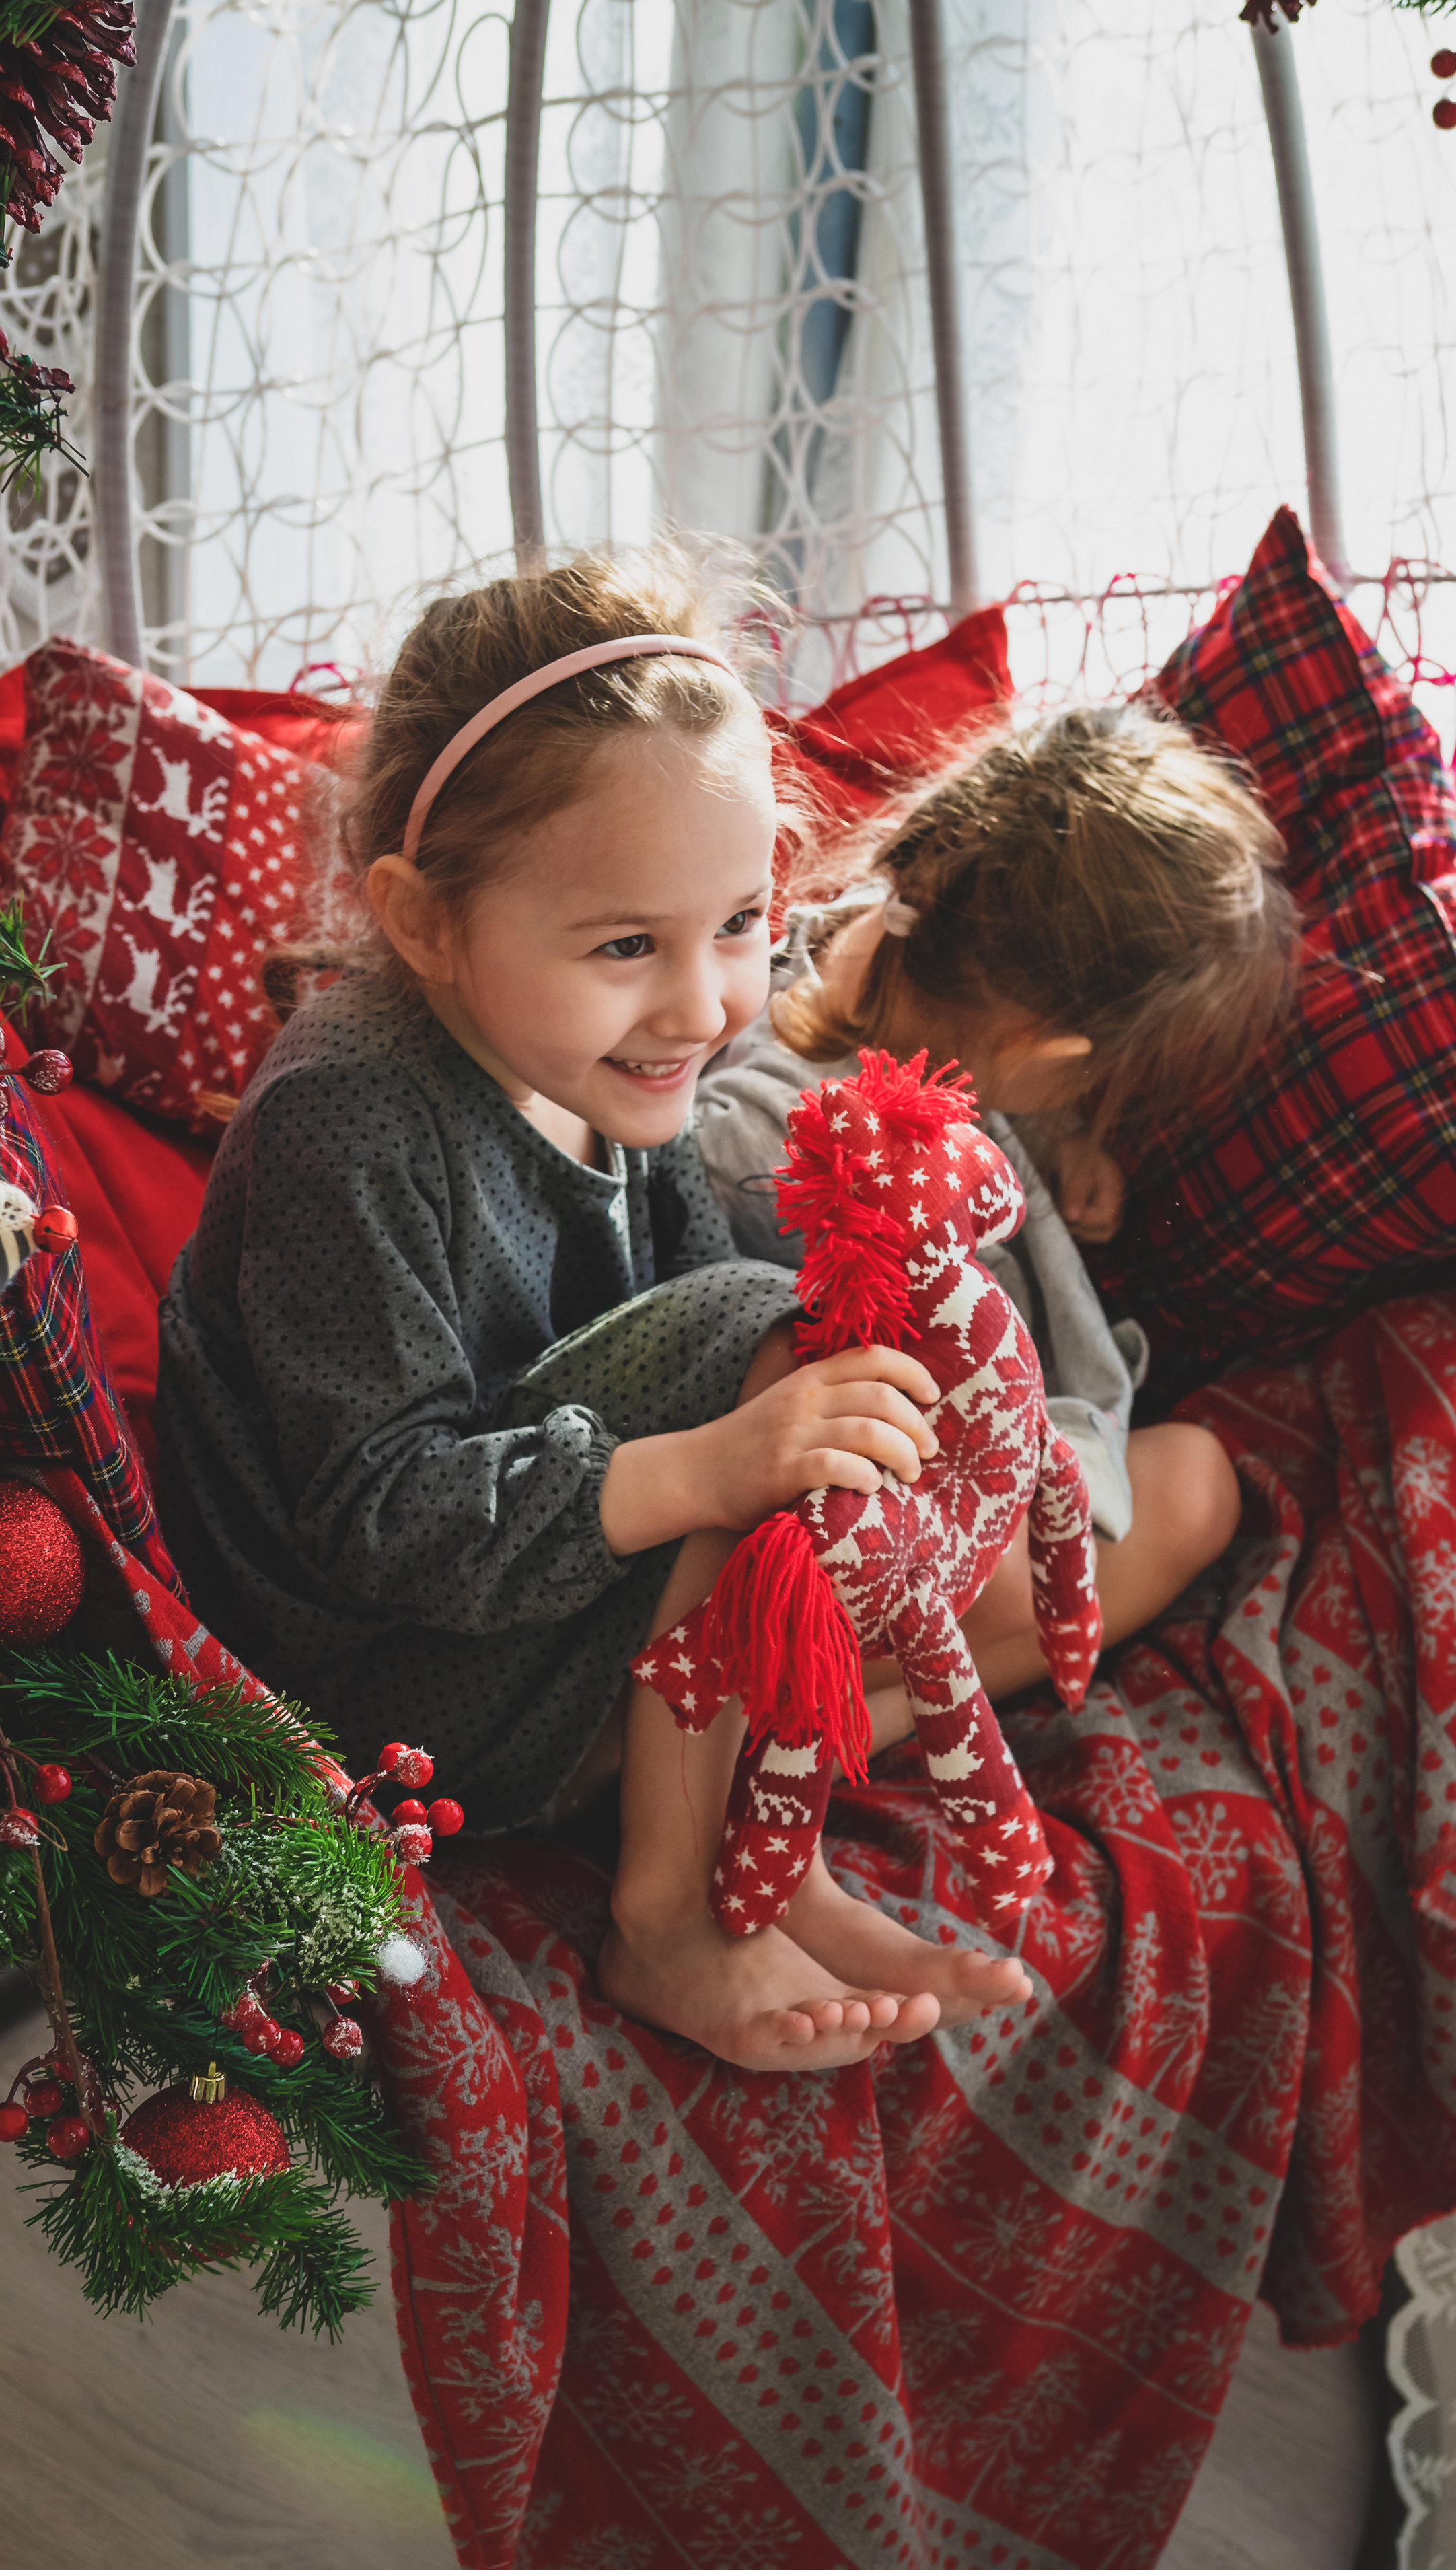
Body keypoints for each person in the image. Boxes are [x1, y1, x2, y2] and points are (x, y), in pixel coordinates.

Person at [159, 544, 1035, 2075]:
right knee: (764, 1346)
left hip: (545, 1623)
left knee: (874, 1409)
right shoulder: (347, 1116)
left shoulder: (618, 1074)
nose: (700, 1004)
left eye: (740, 928)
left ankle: (769, 1848)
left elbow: (697, 1309)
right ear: (425, 924)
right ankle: (670, 1918)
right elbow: (385, 1518)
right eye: (626, 945)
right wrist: (711, 1463)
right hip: (374, 1696)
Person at [696, 703, 1298, 1744]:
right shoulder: (765, 1144)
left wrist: (1061, 1140)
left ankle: (833, 1720)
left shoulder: (894, 945)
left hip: (957, 1493)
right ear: (1046, 1049)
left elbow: (991, 1048)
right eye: (1100, 1081)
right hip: (818, 1532)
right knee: (1033, 1581)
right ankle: (785, 1729)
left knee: (1200, 1483)